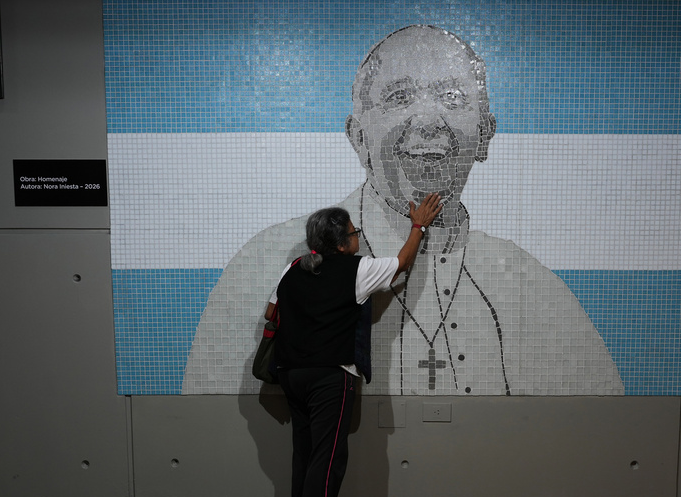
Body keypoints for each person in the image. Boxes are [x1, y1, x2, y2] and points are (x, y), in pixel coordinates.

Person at [182, 25, 623, 396]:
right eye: (398, 97)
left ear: (486, 134)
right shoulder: (266, 258)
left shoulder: (534, 287)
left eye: (453, 97)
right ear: (358, 136)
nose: (429, 120)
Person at [279, 194, 441, 497]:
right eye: (354, 233)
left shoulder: (292, 271)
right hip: (329, 377)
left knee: (305, 456)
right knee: (328, 459)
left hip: (292, 375)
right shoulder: (354, 269)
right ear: (340, 243)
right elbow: (401, 264)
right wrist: (418, 226)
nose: (358, 239)